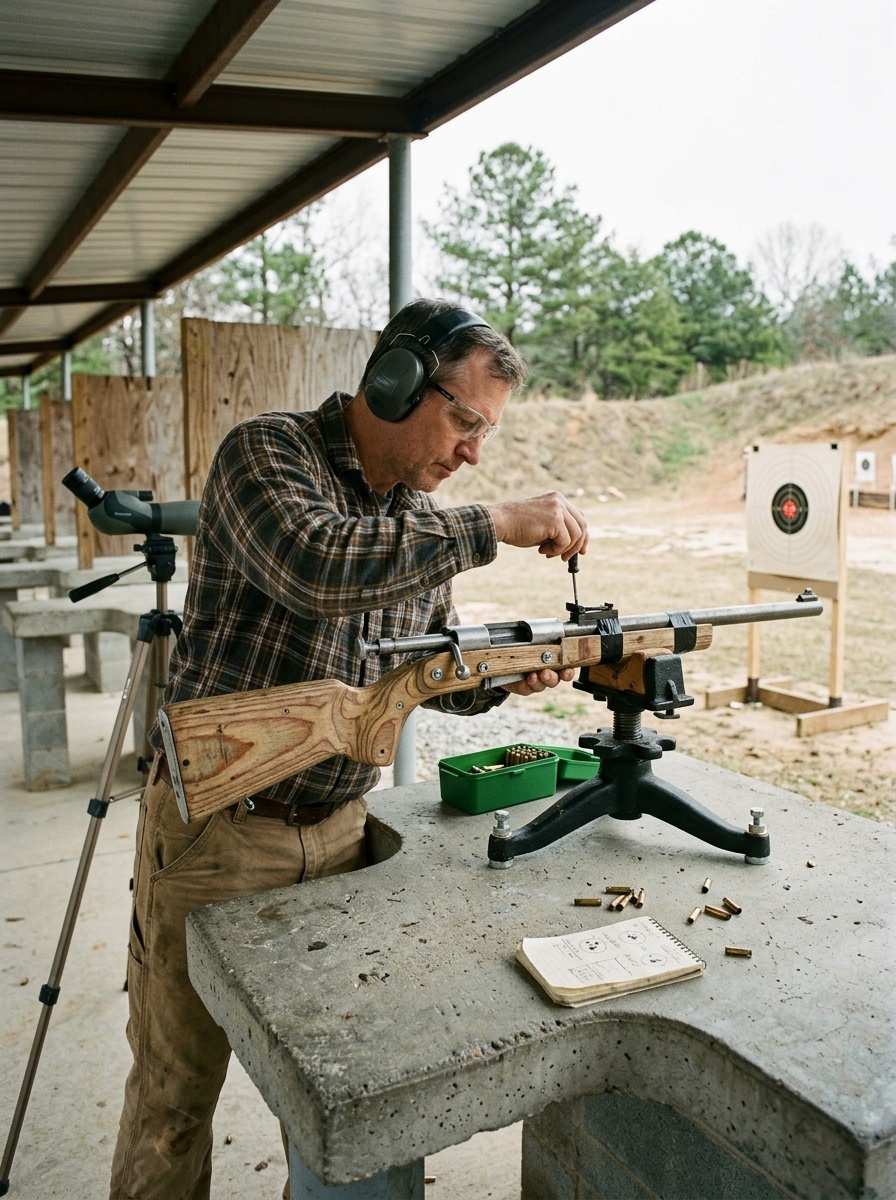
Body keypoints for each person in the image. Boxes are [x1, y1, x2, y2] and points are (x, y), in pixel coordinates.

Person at [109, 298, 589, 1199]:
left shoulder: (417, 518)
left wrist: (503, 671)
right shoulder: (268, 454)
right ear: (396, 380)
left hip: (341, 838)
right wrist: (495, 524)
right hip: (216, 831)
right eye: (467, 420)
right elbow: (317, 564)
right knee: (173, 1102)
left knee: (340, 1105)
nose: (474, 451)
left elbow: (420, 665)